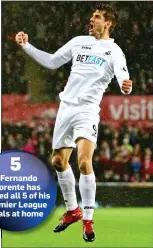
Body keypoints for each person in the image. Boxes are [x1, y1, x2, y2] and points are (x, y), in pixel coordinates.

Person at [15, 4, 132, 242]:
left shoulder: (114, 51)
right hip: (66, 108)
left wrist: (126, 87)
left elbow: (123, 77)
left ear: (108, 23)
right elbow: (51, 61)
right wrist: (26, 45)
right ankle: (72, 211)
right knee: (58, 161)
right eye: (91, 16)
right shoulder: (79, 41)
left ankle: (88, 220)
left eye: (97, 17)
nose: (91, 20)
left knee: (84, 161)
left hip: (87, 110)